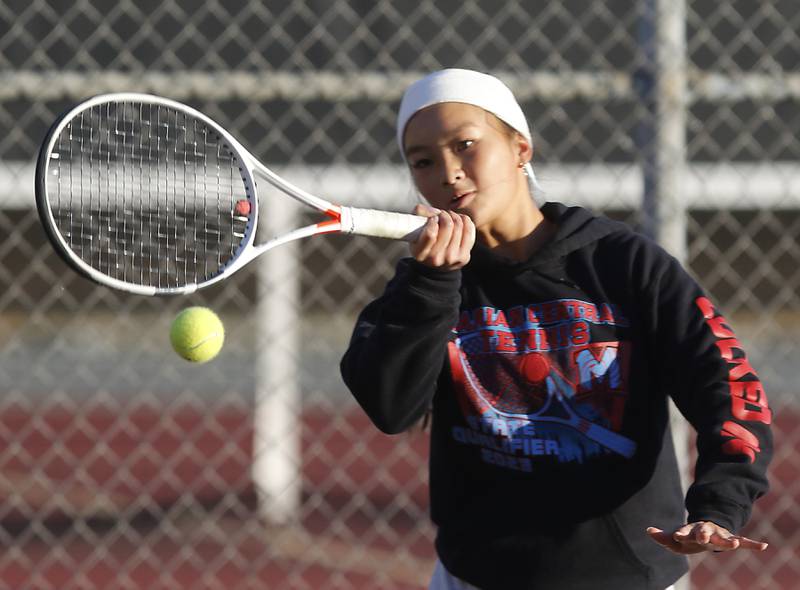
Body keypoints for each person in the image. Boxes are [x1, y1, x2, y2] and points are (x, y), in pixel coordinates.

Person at [339, 68, 773, 590]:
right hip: (477, 575)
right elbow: (391, 407)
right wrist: (430, 283)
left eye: (467, 145)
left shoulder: (623, 264)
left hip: (629, 577)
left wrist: (719, 504)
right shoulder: (428, 286)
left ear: (521, 148)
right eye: (424, 161)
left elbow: (726, 387)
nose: (449, 172)